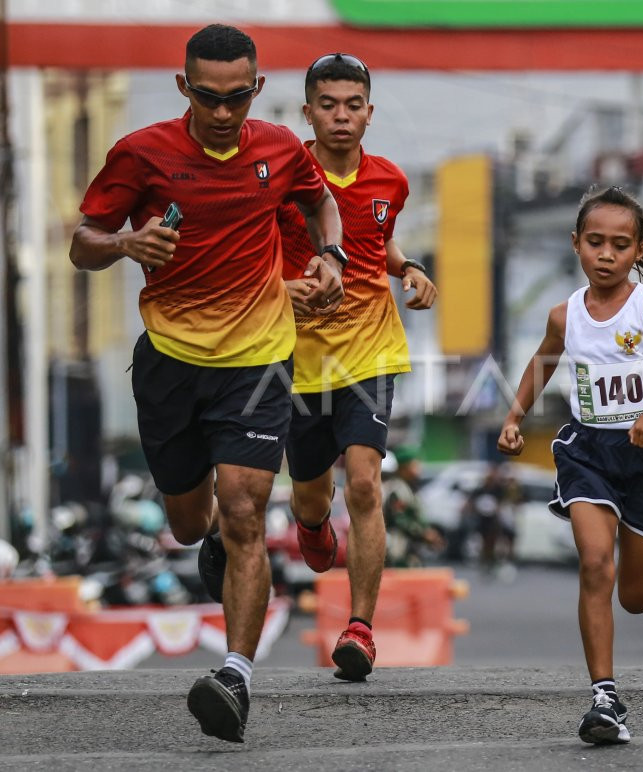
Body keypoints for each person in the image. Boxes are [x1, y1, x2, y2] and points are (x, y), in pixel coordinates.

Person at [70, 24, 345, 742]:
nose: (223, 113)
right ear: (182, 88)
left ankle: (235, 677)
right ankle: (213, 533)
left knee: (247, 509)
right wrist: (124, 242)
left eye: (237, 98)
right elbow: (82, 244)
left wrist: (332, 256)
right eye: (207, 97)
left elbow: (320, 202)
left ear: (257, 89)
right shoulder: (141, 154)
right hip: (171, 361)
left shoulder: (279, 148)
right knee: (192, 524)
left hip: (257, 360)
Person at [497, 186, 643, 745]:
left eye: (620, 245)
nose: (606, 254)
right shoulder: (564, 315)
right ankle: (604, 696)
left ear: (639, 251)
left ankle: (640, 560)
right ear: (576, 243)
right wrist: (514, 415)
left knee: (635, 598)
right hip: (587, 451)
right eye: (595, 242)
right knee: (596, 564)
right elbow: (541, 363)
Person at [276, 52, 438, 682]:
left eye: (352, 105)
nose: (340, 116)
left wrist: (411, 268)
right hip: (296, 360)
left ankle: (361, 630)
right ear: (308, 112)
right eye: (328, 105)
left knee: (366, 483)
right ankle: (312, 523)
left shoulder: (390, 180)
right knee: (311, 494)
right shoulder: (285, 178)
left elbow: (380, 242)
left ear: (370, 112)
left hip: (370, 352)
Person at [381, 447, 443, 567]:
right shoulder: (398, 489)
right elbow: (399, 520)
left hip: (410, 547)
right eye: (414, 465)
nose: (419, 469)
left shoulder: (409, 487)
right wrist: (423, 533)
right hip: (398, 548)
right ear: (403, 468)